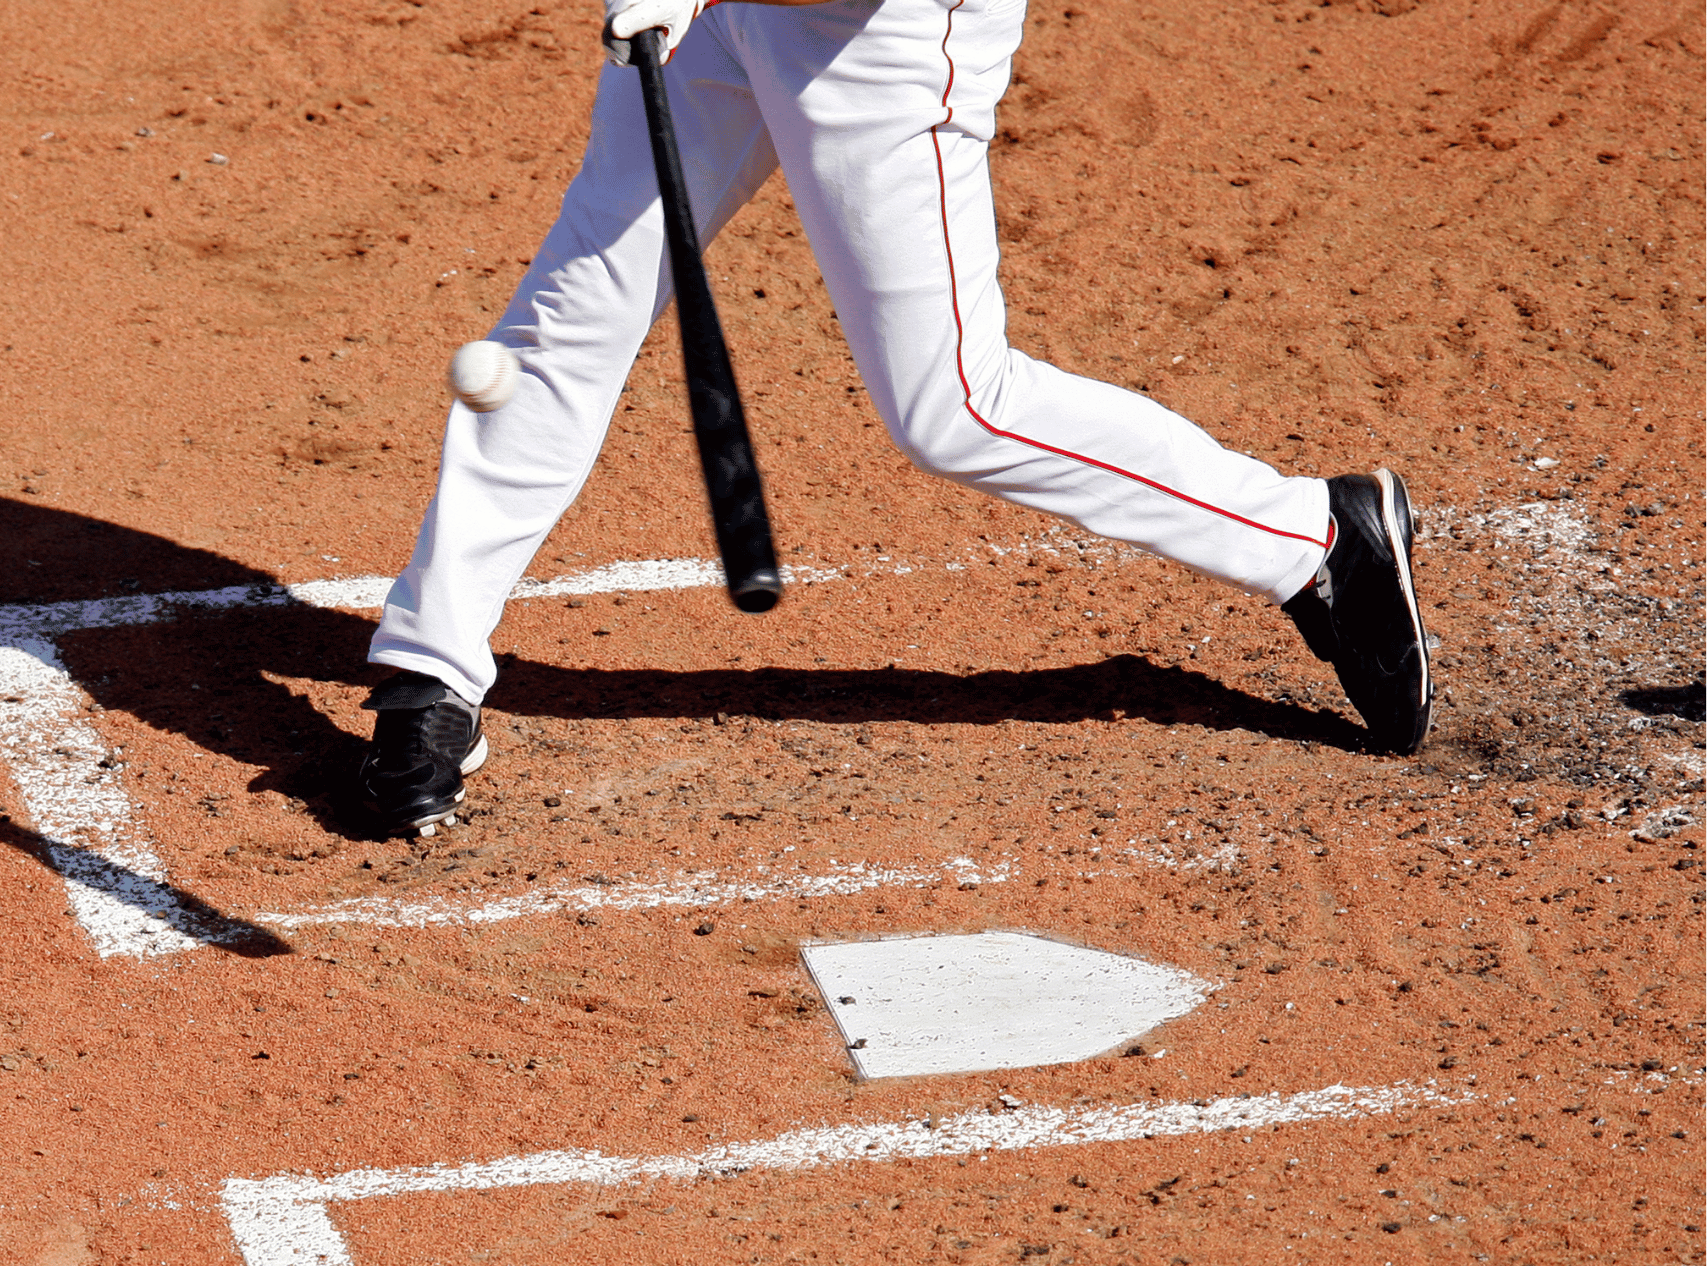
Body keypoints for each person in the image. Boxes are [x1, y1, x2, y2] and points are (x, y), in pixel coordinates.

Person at [356, 0, 1432, 836]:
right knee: (568, 316)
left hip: (877, 34)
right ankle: (431, 665)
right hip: (718, 24)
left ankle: (1313, 534)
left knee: (953, 406)